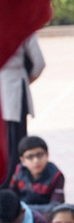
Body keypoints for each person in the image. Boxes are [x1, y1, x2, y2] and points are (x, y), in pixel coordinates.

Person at [1, 34, 45, 183]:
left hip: (12, 92)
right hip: (14, 90)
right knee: (15, 144)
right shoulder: (22, 25)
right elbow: (38, 63)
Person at [8, 136, 64, 212]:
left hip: (45, 215)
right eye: (30, 157)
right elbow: (11, 196)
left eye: (40, 155)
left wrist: (24, 209)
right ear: (23, 160)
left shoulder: (56, 175)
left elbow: (56, 206)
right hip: (21, 213)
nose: (36, 161)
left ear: (47, 155)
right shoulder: (19, 170)